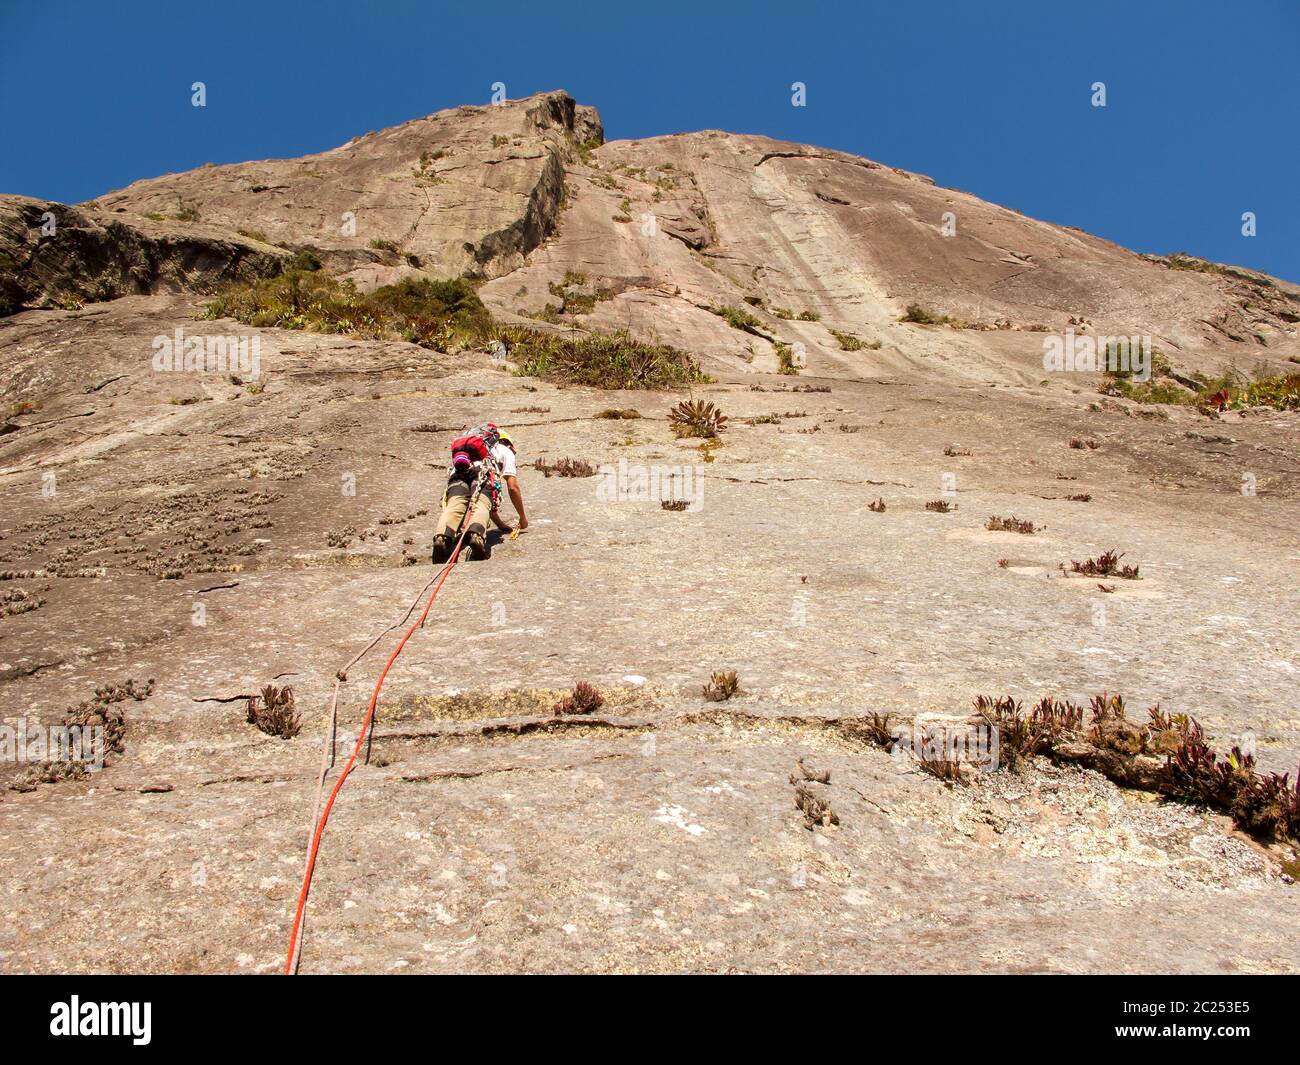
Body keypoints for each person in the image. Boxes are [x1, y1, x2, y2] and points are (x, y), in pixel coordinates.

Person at [488, 429, 528, 535]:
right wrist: (523, 518)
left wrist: (500, 525)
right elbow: (512, 487)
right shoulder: (505, 451)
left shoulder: (481, 449)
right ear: (509, 444)